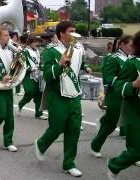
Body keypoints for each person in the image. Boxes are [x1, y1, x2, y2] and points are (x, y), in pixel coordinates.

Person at [35, 21, 85, 177]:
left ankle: (69, 163)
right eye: (71, 31)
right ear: (62, 33)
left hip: (75, 95)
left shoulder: (78, 49)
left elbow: (79, 68)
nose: (74, 33)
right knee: (56, 128)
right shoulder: (50, 51)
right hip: (57, 95)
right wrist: (60, 64)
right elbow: (48, 77)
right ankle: (41, 144)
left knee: (74, 130)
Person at [90, 35, 134, 158]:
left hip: (131, 96)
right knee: (110, 124)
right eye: (130, 45)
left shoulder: (133, 59)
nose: (132, 48)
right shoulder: (113, 58)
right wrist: (124, 84)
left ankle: (132, 154)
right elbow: (108, 77)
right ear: (121, 45)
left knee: (132, 126)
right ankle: (95, 144)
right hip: (116, 95)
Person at [108, 31, 140, 180]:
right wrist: (133, 85)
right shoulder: (132, 64)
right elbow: (119, 86)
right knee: (137, 150)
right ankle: (114, 165)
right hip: (135, 111)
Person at [18, 35, 48, 120]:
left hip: (38, 75)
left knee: (39, 94)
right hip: (28, 75)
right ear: (30, 42)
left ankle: (39, 113)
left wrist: (42, 66)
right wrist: (31, 69)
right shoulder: (24, 51)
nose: (37, 43)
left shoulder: (37, 51)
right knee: (30, 92)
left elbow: (40, 62)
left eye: (38, 42)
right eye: (35, 42)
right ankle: (21, 103)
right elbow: (22, 65)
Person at [10, 31, 23, 96]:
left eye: (16, 37)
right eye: (14, 37)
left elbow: (20, 51)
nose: (15, 38)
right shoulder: (9, 43)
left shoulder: (17, 44)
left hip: (18, 61)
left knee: (18, 75)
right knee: (11, 75)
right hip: (11, 61)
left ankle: (18, 91)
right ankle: (10, 89)